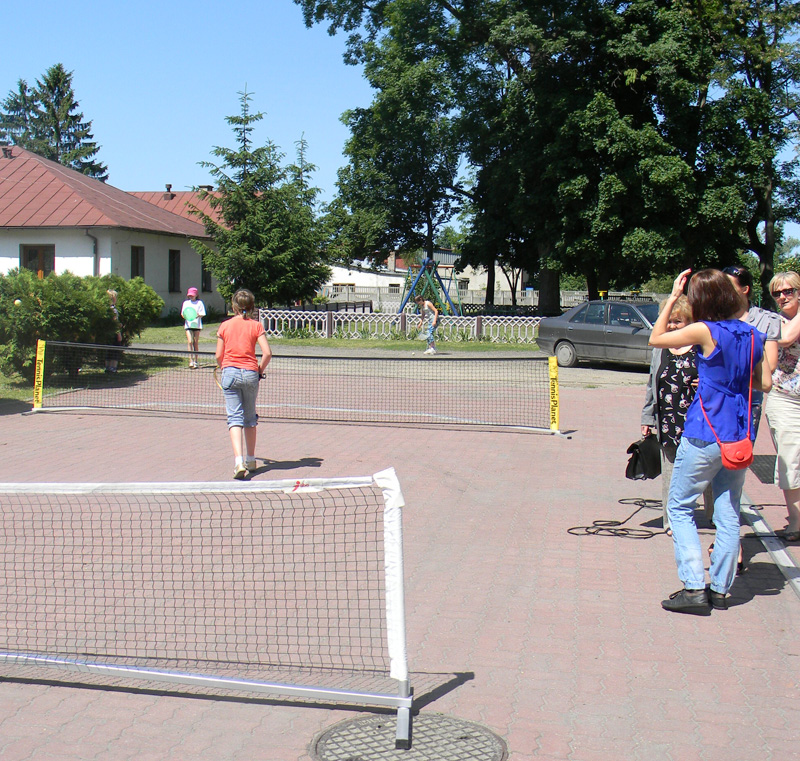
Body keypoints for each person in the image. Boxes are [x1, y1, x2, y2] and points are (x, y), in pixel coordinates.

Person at [650, 269, 771, 615]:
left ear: (700, 300)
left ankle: (693, 587)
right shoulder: (753, 334)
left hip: (705, 431)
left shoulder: (705, 330)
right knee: (728, 511)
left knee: (680, 507)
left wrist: (673, 296)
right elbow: (764, 383)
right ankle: (720, 589)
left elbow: (657, 338)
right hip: (738, 434)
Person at [640, 296, 712, 534]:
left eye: (677, 321)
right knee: (671, 472)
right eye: (668, 321)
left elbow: (716, 378)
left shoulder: (701, 347)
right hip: (668, 420)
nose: (671, 326)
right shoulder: (660, 349)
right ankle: (671, 520)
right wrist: (647, 418)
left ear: (690, 322)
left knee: (705, 470)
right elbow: (651, 385)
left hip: (698, 421)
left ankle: (713, 514)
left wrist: (706, 383)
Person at [216, 289, 272, 479]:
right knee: (250, 417)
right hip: (250, 373)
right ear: (252, 306)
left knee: (234, 418)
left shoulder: (225, 325)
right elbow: (267, 353)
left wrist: (224, 367)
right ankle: (251, 459)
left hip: (230, 372)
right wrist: (259, 370)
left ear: (234, 306)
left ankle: (239, 462)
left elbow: (218, 355)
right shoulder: (256, 326)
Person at [722, 265, 781, 432]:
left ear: (745, 289)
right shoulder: (713, 318)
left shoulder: (767, 320)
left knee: (741, 448)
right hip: (715, 399)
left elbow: (770, 366)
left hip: (748, 400)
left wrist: (724, 376)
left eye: (729, 286)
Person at [764, 271, 800, 541]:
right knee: (790, 459)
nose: (783, 297)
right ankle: (796, 521)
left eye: (789, 291)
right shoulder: (774, 321)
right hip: (785, 399)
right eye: (777, 293)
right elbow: (786, 338)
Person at [181, 286, 206, 369]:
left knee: (195, 342)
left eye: (192, 295)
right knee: (190, 341)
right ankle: (190, 360)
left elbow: (203, 313)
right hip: (188, 325)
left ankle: (196, 360)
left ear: (196, 295)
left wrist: (198, 315)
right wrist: (186, 317)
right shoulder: (186, 303)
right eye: (189, 295)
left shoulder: (199, 303)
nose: (191, 296)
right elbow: (182, 313)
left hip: (197, 325)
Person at [105, 289, 123, 373]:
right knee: (115, 349)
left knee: (108, 350)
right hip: (114, 333)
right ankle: (113, 367)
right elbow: (115, 321)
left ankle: (107, 367)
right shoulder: (113, 310)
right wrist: (119, 333)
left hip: (107, 332)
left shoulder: (106, 308)